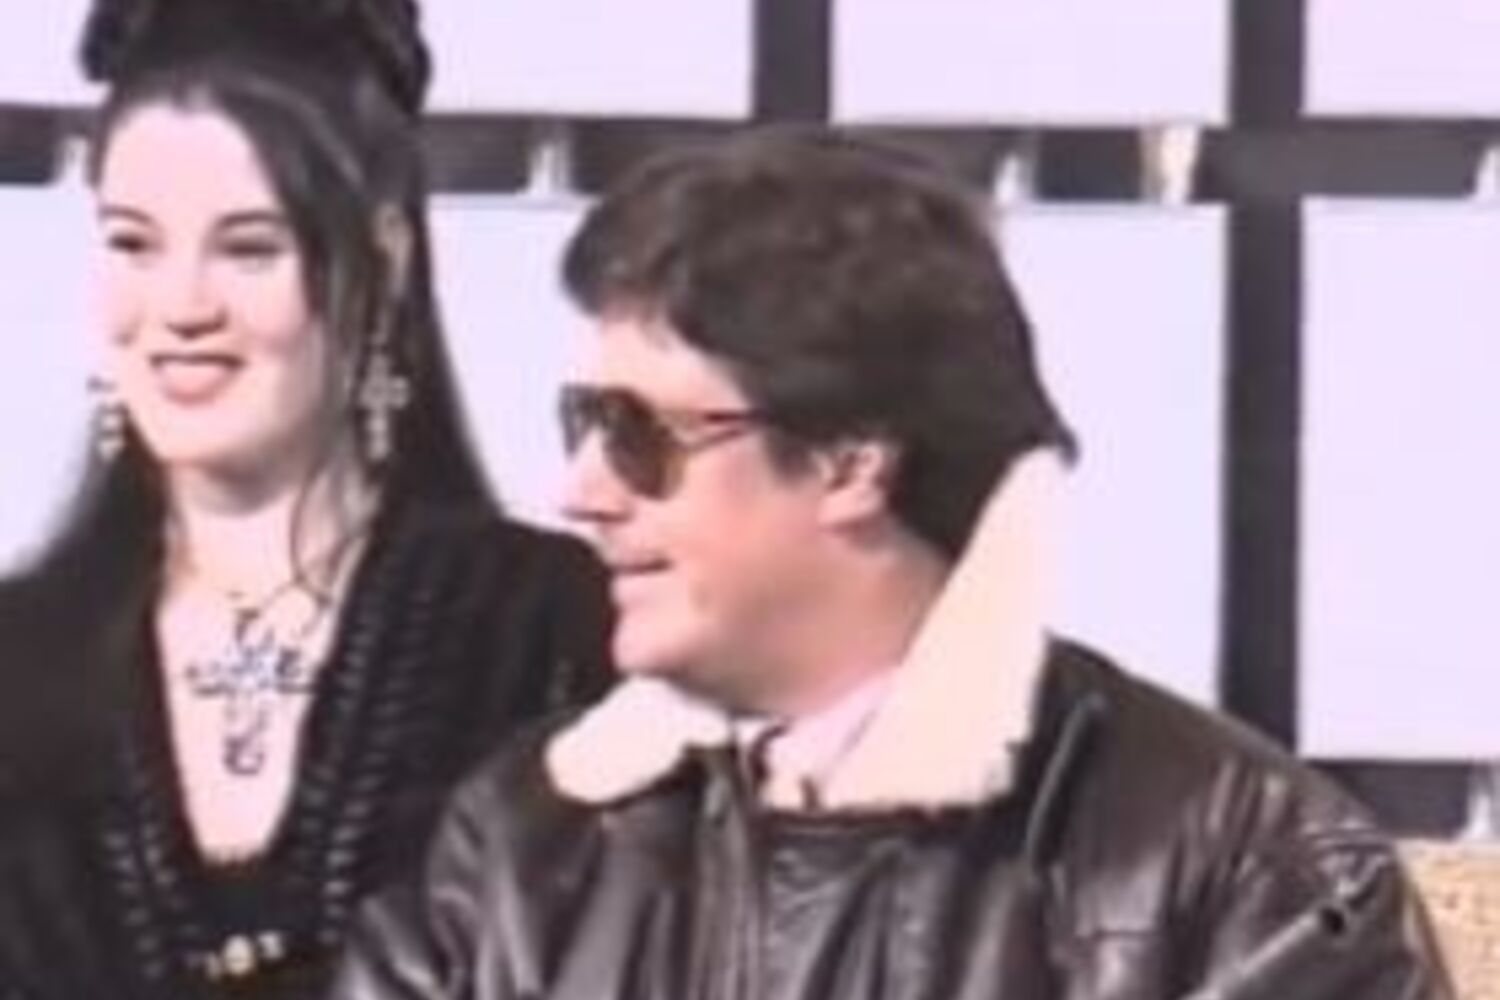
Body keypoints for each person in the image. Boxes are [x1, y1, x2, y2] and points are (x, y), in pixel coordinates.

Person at [331, 128, 1452, 1000]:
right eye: (580, 421)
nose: (581, 492)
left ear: (849, 463)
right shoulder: (519, 846)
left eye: (636, 433)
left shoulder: (1242, 866)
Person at [0, 1, 611, 997]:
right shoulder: (21, 654)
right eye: (134, 244)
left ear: (384, 259)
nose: (181, 307)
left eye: (248, 248)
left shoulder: (546, 628)